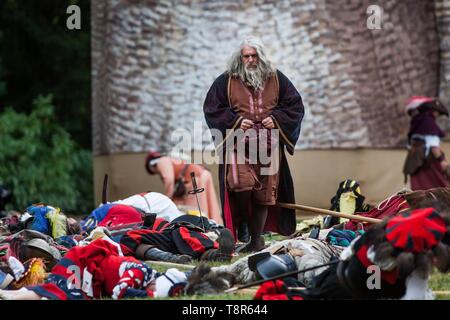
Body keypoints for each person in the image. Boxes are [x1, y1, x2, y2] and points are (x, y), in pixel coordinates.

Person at [203, 36, 304, 251]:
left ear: (261, 56)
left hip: (270, 145)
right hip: (239, 144)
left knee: (265, 194)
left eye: (254, 55)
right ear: (240, 58)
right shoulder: (226, 81)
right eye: (246, 56)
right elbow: (213, 108)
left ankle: (256, 240)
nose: (250, 60)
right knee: (240, 182)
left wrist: (276, 119)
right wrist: (236, 122)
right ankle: (245, 224)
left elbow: (295, 105)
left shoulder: (277, 79)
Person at [145, 152, 223, 225]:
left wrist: (167, 199)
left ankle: (201, 228)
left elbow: (168, 179)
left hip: (193, 178)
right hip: (202, 174)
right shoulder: (171, 158)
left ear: (151, 165)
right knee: (210, 205)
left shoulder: (162, 161)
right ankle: (214, 225)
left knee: (194, 210)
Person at [403, 96, 450, 190]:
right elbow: (433, 146)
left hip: (415, 160)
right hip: (427, 162)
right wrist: (442, 160)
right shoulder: (428, 122)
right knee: (439, 187)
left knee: (420, 188)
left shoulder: (417, 121)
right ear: (432, 110)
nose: (437, 115)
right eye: (437, 112)